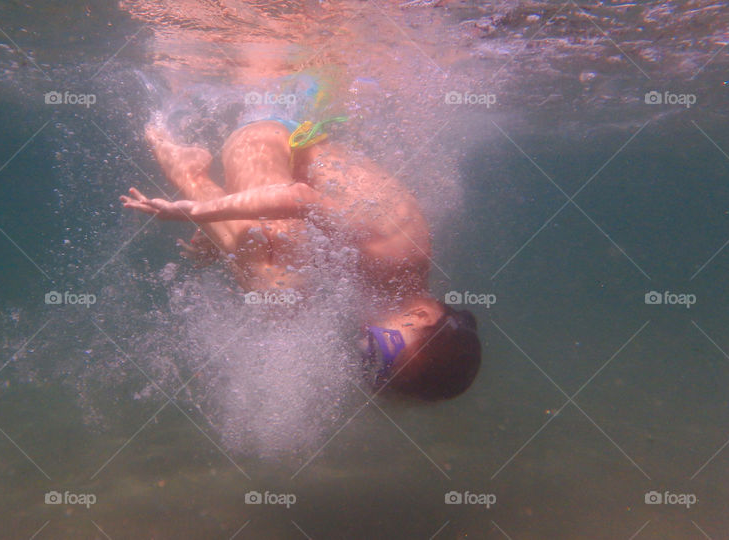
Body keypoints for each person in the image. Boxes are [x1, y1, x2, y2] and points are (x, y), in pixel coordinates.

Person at [122, 119, 480, 401]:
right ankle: (188, 172)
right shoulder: (395, 258)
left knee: (285, 288)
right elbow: (301, 198)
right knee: (275, 283)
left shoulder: (392, 284)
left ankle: (210, 206)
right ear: (422, 316)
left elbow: (316, 224)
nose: (366, 345)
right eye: (384, 349)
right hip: (266, 138)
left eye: (371, 362)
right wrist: (198, 210)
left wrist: (223, 238)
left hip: (283, 148)